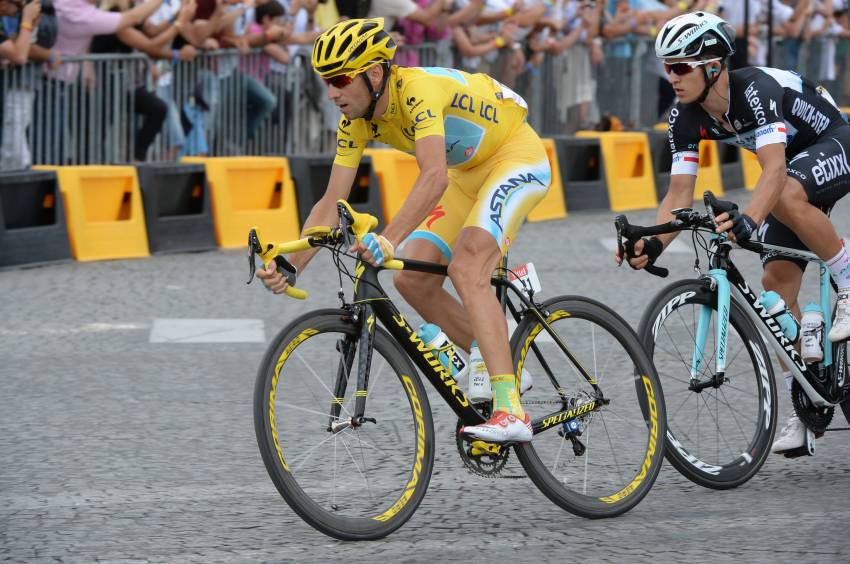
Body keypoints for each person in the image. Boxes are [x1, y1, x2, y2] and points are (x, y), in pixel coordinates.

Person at [257, 17, 552, 443]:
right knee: (411, 278)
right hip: (467, 174)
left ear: (375, 73)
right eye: (325, 81)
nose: (332, 92)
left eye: (340, 78)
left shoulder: (416, 91)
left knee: (468, 267)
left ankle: (510, 410)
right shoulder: (355, 120)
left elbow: (433, 177)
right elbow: (329, 202)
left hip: (513, 156)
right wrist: (291, 264)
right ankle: (499, 355)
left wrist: (389, 237)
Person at [617, 11, 850, 456]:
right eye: (668, 67)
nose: (672, 77)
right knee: (776, 290)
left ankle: (847, 275)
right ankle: (807, 401)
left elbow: (775, 170)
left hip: (835, 144)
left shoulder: (754, 91)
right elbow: (678, 194)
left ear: (713, 66)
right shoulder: (683, 117)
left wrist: (748, 219)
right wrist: (652, 241)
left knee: (782, 195)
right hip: (791, 176)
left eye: (681, 66)